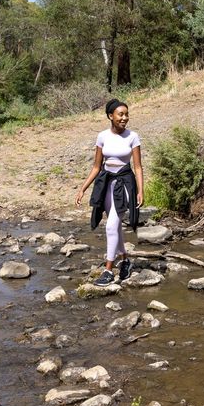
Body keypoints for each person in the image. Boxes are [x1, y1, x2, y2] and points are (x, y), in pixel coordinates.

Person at [75, 98, 144, 285]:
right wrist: (83, 188)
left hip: (125, 184)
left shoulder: (133, 136)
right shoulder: (102, 137)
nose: (125, 118)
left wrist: (141, 191)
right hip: (106, 184)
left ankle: (108, 270)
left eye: (126, 114)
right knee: (115, 226)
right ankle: (125, 261)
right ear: (110, 116)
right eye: (120, 114)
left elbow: (137, 167)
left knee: (111, 225)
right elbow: (96, 167)